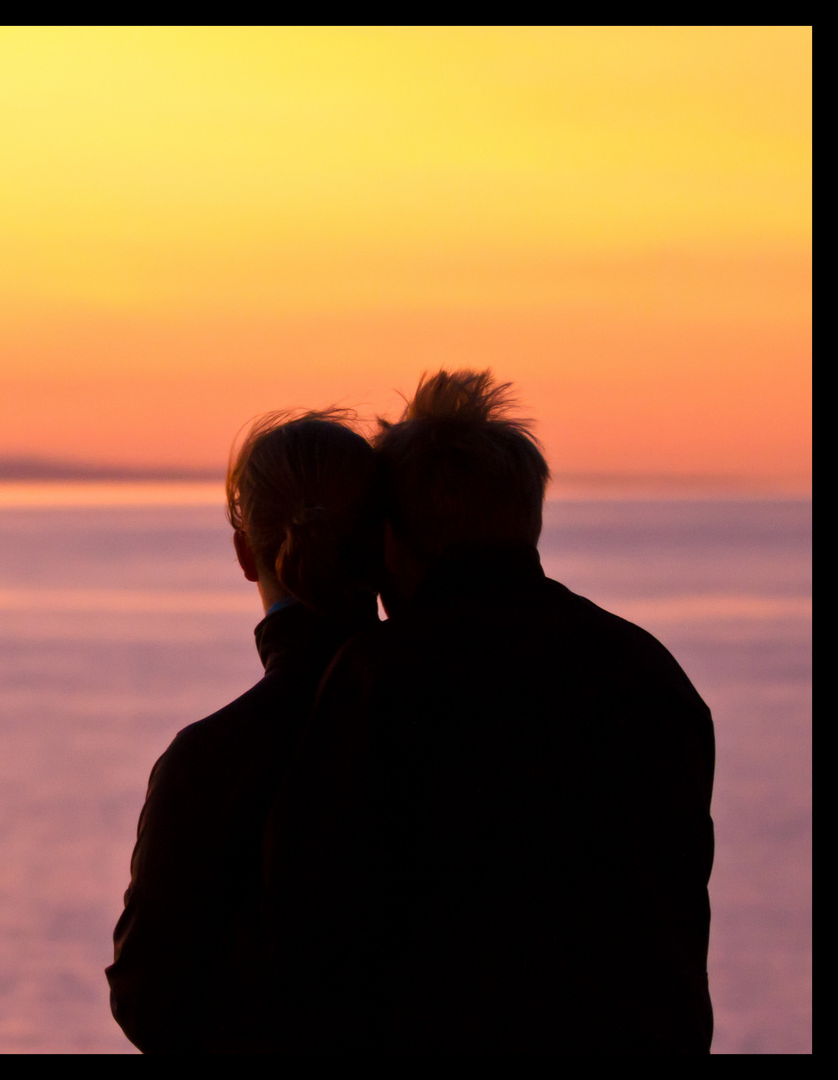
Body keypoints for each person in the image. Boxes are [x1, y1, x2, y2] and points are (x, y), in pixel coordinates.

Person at [264, 370, 716, 1053]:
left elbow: (308, 924)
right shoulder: (648, 672)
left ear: (386, 540)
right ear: (526, 516)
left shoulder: (382, 679)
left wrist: (317, 637)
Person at [106, 409, 383, 1053]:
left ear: (244, 554)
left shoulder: (208, 760)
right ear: (382, 543)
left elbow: (149, 1000)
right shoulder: (466, 724)